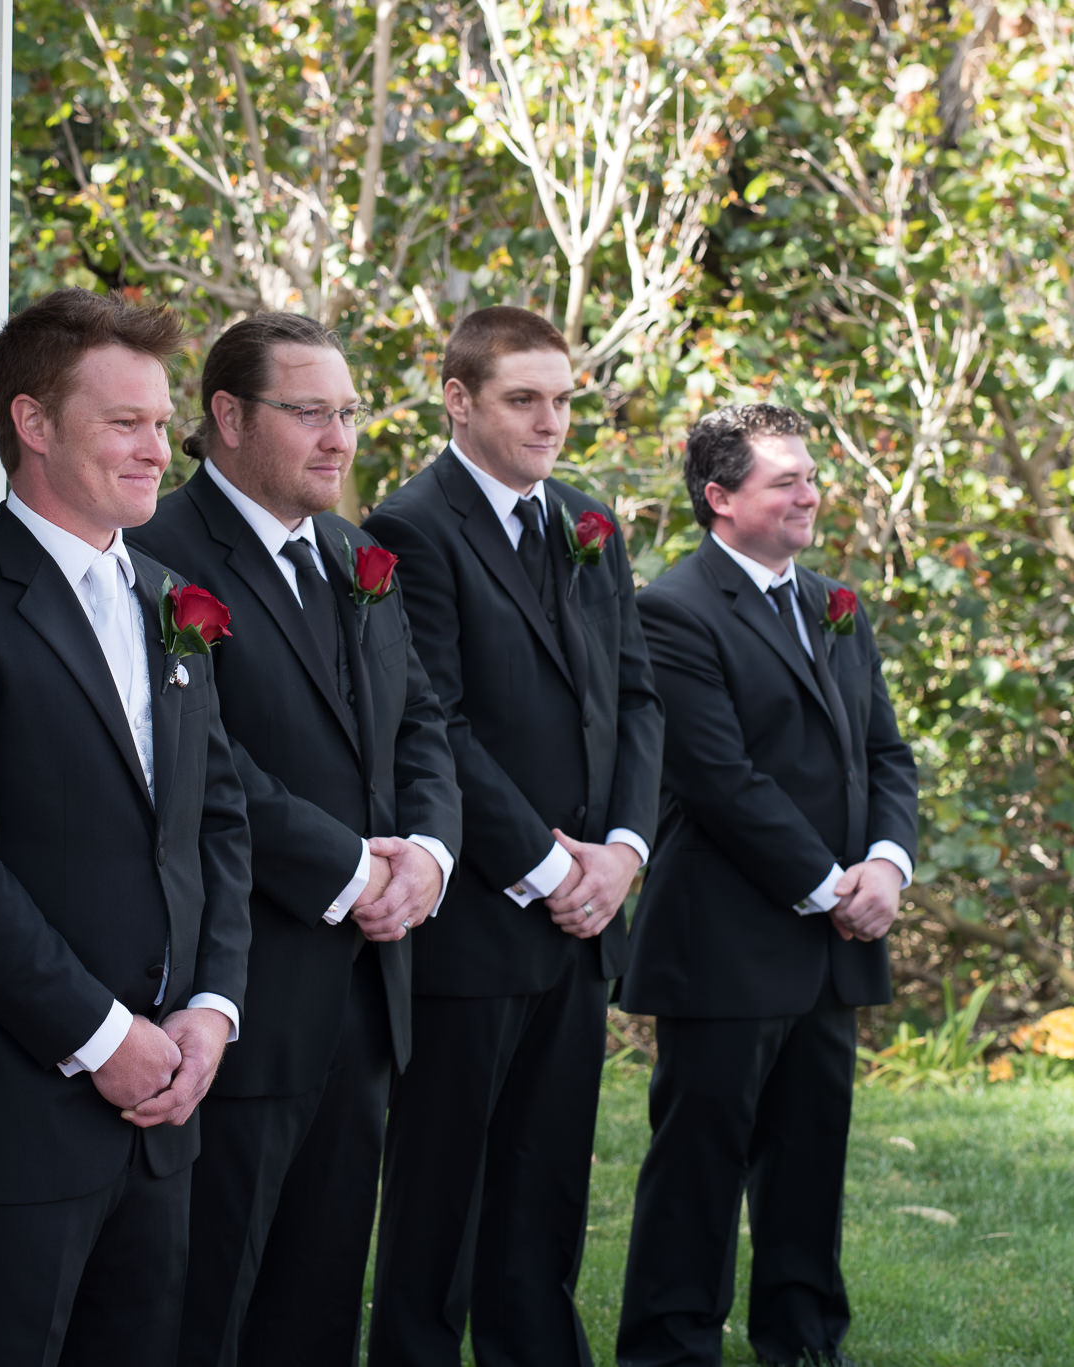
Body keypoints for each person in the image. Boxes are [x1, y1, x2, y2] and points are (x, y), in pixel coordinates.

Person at [0, 288, 252, 1366]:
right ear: (31, 423)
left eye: (163, 423)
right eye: (125, 422)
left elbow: (214, 820)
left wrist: (209, 1008)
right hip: (14, 1108)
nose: (159, 449)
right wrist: (106, 1039)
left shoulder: (175, 598)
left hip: (167, 1108)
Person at [130, 312, 461, 1367]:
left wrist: (428, 853)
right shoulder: (155, 552)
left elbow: (419, 721)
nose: (339, 437)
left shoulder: (356, 553)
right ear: (226, 416)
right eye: (309, 411)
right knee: (206, 1302)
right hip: (241, 995)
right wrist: (345, 867)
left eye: (349, 412)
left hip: (366, 992)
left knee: (318, 1305)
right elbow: (201, 759)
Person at [362, 306, 664, 1366]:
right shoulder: (408, 527)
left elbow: (635, 696)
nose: (551, 421)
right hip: (477, 920)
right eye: (522, 399)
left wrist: (622, 850)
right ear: (457, 399)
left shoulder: (587, 523)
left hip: (582, 918)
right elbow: (431, 717)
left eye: (563, 399)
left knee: (545, 1190)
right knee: (439, 1198)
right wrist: (544, 866)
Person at [615, 403, 918, 1367]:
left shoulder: (834, 602)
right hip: (727, 945)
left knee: (808, 1171)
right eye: (784, 479)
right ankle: (671, 1349)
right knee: (697, 1171)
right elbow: (718, 777)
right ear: (720, 497)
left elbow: (887, 755)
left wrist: (887, 866)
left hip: (832, 948)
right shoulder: (674, 608)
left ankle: (804, 1347)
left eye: (809, 475)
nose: (809, 492)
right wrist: (832, 885)